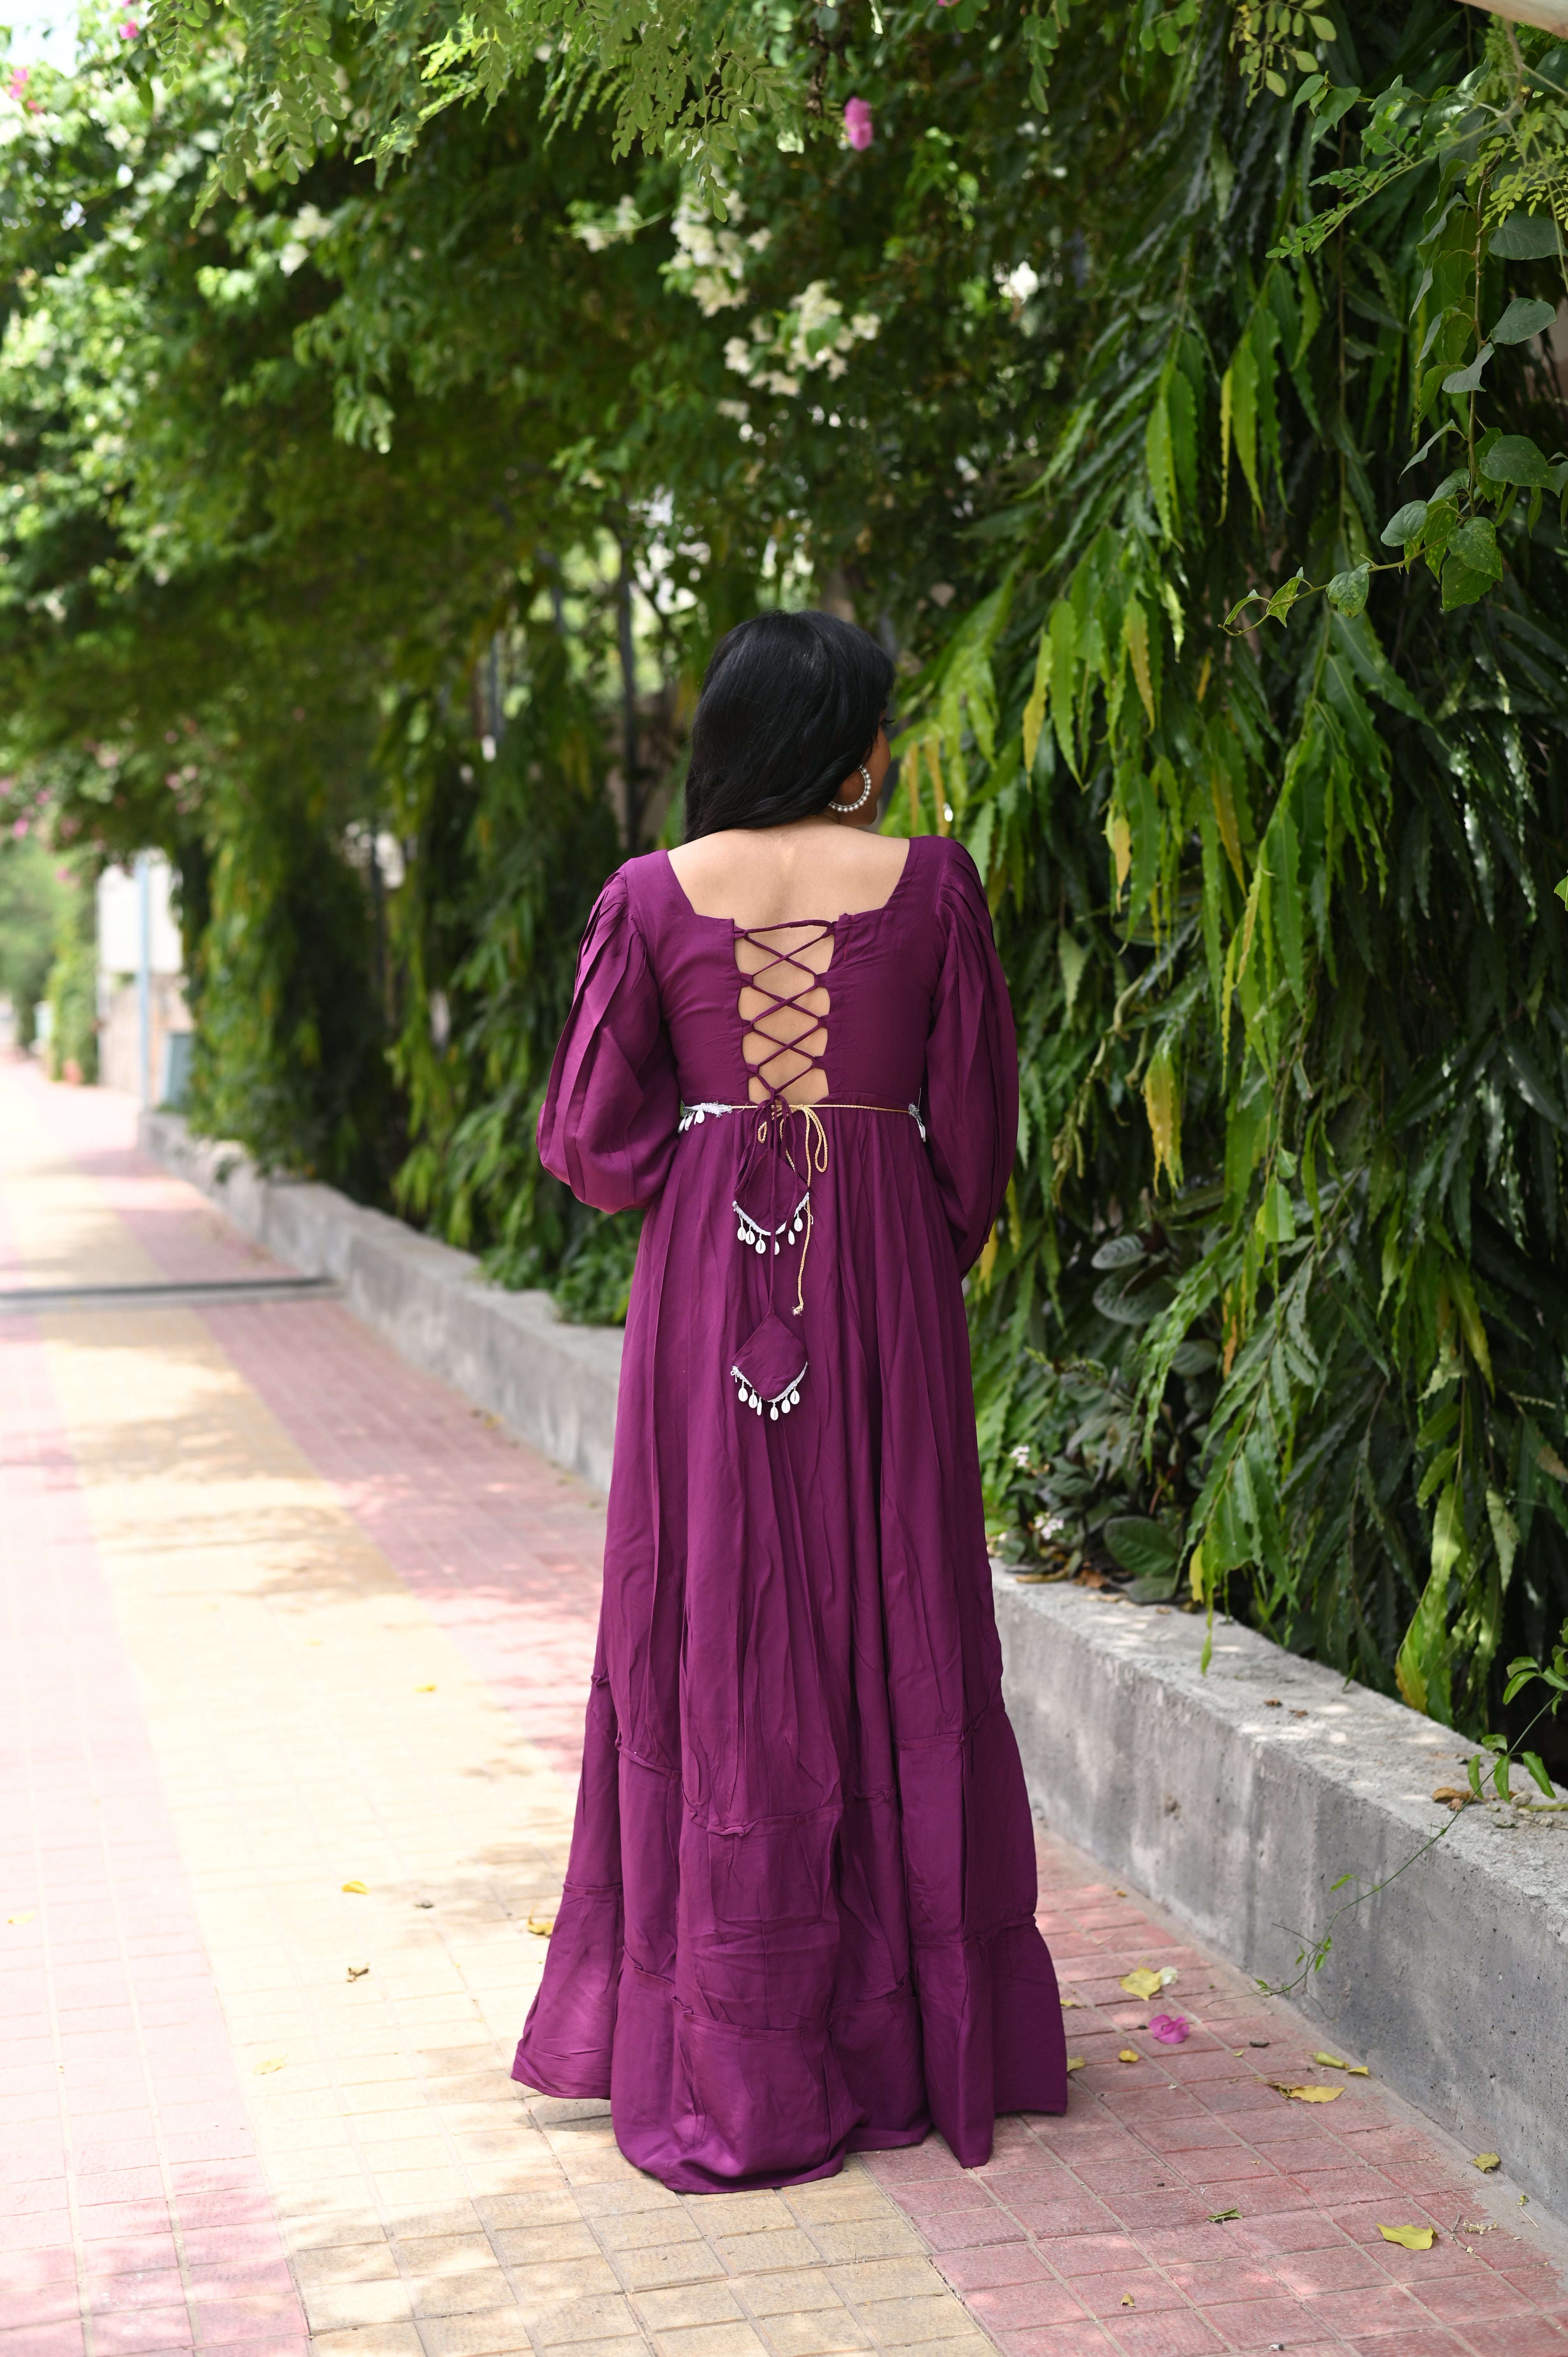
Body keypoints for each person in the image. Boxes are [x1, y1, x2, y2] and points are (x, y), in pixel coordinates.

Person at [513, 608, 1067, 2192]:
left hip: (704, 1305)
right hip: (884, 1294)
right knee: (895, 1615)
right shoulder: (933, 885)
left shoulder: (647, 896)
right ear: (849, 744)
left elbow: (587, 1142)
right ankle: (907, 2033)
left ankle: (726, 2035)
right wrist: (890, 1230)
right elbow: (973, 1137)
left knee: (711, 1625)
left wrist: (712, 1156)